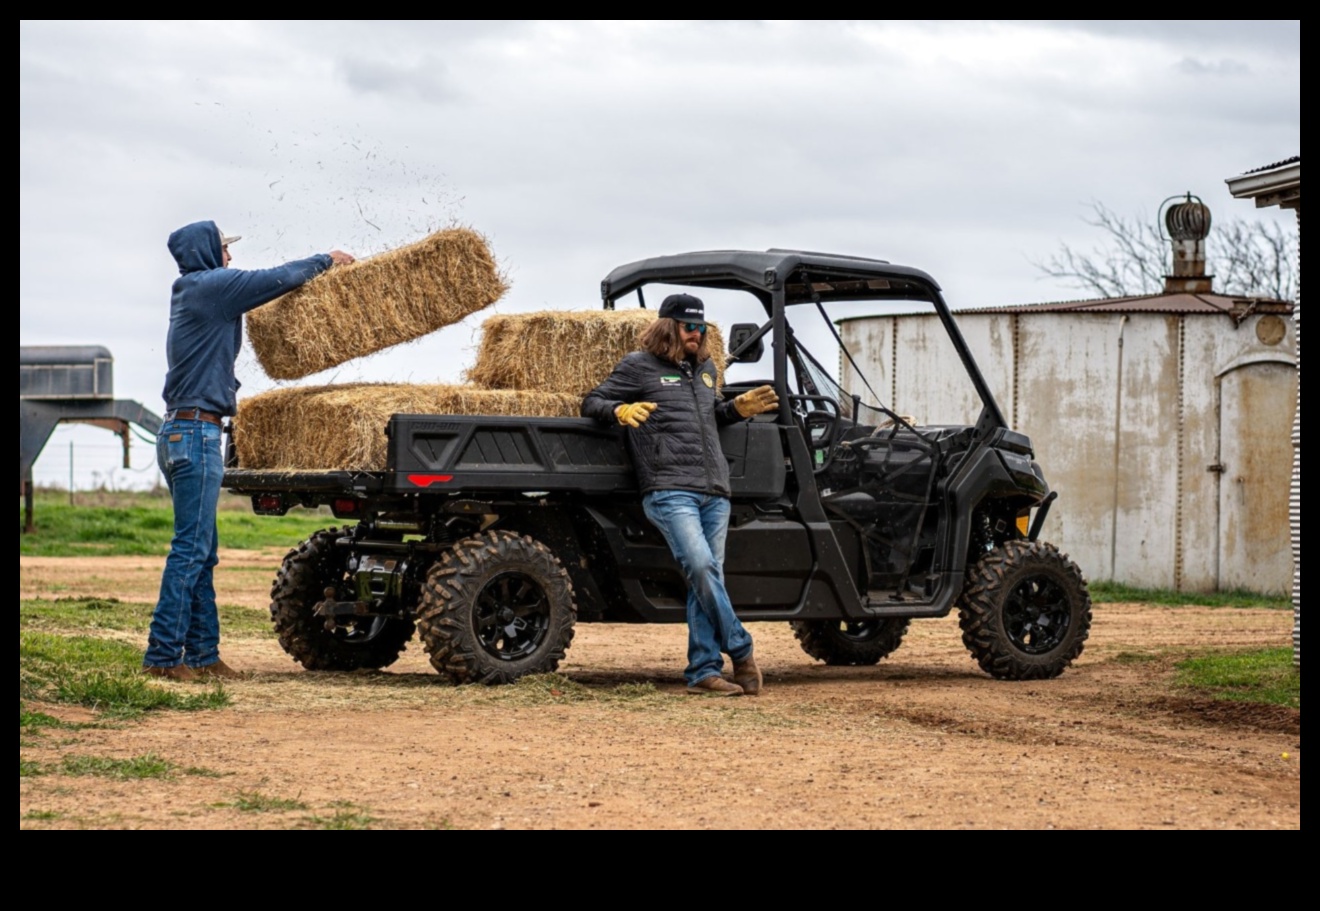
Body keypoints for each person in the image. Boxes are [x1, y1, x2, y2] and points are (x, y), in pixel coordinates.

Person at [142, 220, 355, 681]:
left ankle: (203, 656)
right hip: (195, 435)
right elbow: (277, 279)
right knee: (189, 552)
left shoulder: (196, 292)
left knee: (201, 552)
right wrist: (327, 260)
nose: (230, 257)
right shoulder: (210, 288)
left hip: (183, 432)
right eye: (224, 248)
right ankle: (162, 659)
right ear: (206, 252)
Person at [582, 293, 780, 695]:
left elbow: (711, 417)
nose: (697, 334)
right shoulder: (639, 367)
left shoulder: (706, 370)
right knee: (703, 568)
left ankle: (704, 672)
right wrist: (617, 411)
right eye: (690, 327)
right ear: (669, 327)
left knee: (704, 579)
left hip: (714, 490)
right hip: (670, 489)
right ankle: (741, 650)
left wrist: (736, 409)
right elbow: (592, 401)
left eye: (702, 328)